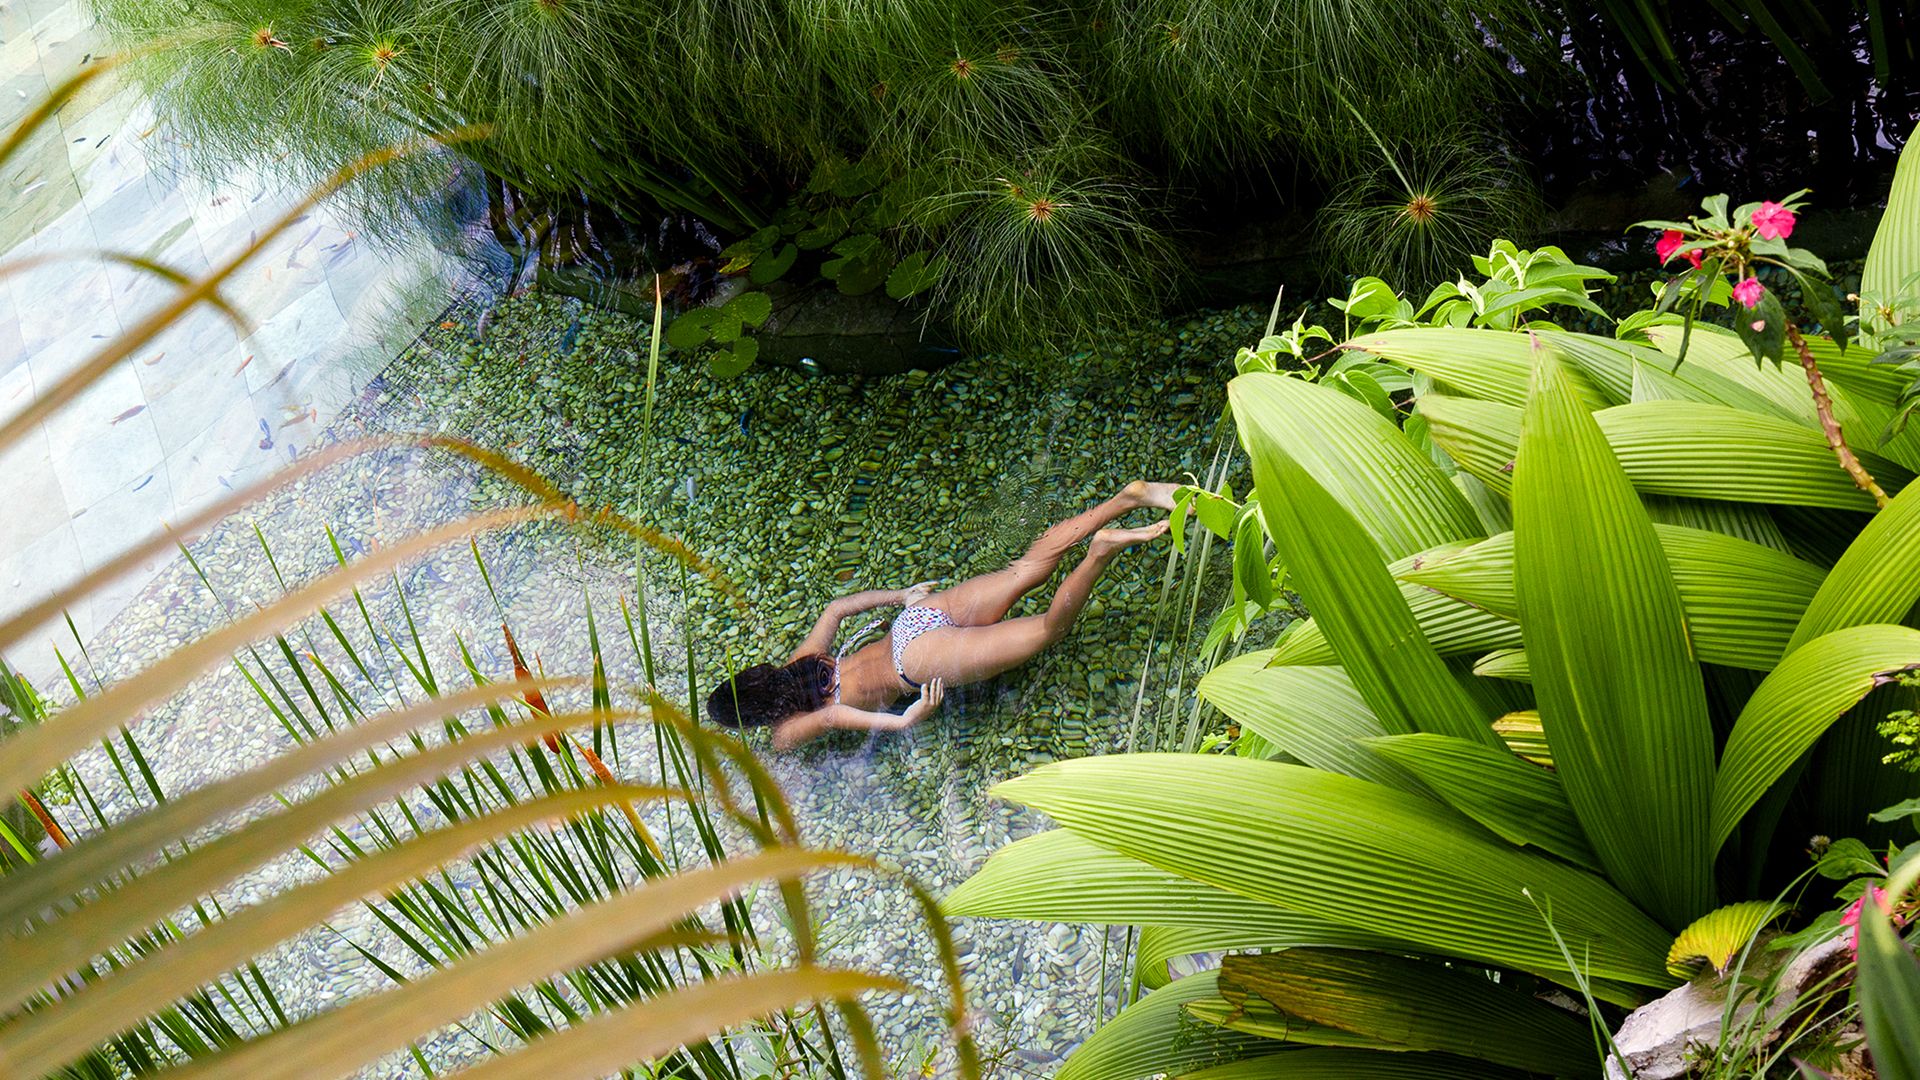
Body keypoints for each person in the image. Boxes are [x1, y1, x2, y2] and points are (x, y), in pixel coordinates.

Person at [706, 481, 1178, 749]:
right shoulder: (801, 663)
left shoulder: (784, 733)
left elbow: (832, 721)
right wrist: (901, 595)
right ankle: (1130, 497)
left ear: (752, 719)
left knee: (1048, 630)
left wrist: (906, 720)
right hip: (913, 623)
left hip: (915, 664)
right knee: (1028, 568)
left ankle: (1098, 552)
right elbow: (836, 608)